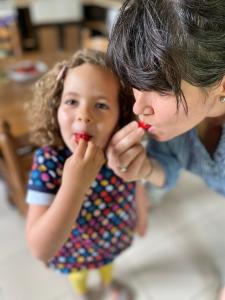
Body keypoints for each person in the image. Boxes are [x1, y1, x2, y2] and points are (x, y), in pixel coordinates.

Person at [106, 0, 225, 298]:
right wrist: (146, 169)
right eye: (135, 82)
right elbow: (169, 167)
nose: (138, 106)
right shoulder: (176, 129)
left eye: (160, 90)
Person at [25, 49, 149, 300]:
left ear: (120, 116)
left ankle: (108, 285)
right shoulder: (48, 162)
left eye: (101, 105)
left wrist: (142, 215)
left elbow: (135, 185)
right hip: (73, 251)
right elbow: (39, 249)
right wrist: (74, 184)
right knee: (79, 277)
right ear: (55, 106)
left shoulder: (120, 153)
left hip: (111, 239)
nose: (84, 114)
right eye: (72, 101)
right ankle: (83, 293)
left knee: (107, 267)